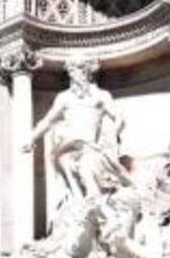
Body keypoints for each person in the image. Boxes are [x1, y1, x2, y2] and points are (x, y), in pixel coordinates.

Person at [24, 58, 132, 206]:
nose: (75, 74)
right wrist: (31, 138)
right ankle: (79, 207)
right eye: (72, 70)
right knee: (67, 165)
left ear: (88, 71)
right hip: (67, 146)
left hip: (90, 146)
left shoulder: (101, 95)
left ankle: (91, 207)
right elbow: (48, 120)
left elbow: (119, 116)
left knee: (88, 166)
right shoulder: (64, 97)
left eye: (80, 69)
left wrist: (113, 132)